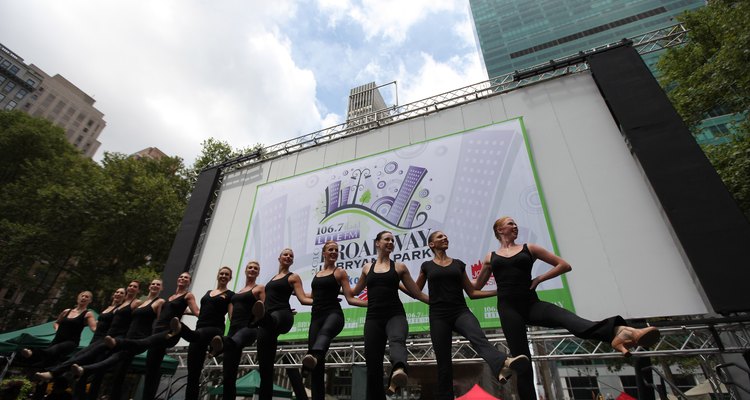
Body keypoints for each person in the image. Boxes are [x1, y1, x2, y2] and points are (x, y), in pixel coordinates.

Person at [474, 217, 661, 400]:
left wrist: (539, 279)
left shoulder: (529, 248)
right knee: (522, 362)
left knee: (573, 322)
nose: (515, 226)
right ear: (500, 230)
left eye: (515, 223)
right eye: (510, 224)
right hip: (509, 310)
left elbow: (564, 265)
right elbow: (476, 287)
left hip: (531, 304)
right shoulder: (491, 257)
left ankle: (621, 332)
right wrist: (455, 276)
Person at [415, 230, 529, 399]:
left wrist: (499, 291)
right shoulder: (427, 266)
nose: (445, 237)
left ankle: (503, 363)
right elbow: (415, 290)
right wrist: (426, 298)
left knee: (479, 338)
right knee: (443, 363)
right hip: (438, 316)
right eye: (440, 237)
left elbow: (472, 292)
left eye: (446, 236)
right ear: (431, 244)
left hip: (460, 311)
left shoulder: (458, 264)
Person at [350, 231, 428, 399]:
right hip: (373, 318)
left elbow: (417, 293)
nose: (390, 242)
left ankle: (399, 370)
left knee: (397, 341)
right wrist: (335, 289)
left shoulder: (399, 267)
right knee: (372, 364)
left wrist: (437, 302)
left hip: (395, 315)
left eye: (392, 240)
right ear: (377, 243)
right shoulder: (366, 268)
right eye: (387, 239)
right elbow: (353, 294)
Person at [108, 272, 200, 400]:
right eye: (181, 276)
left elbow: (196, 311)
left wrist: (207, 317)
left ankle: (118, 343)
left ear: (189, 282)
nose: (182, 278)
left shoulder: (188, 295)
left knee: (144, 342)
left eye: (186, 278)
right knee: (151, 370)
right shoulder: (170, 298)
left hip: (169, 332)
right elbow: (175, 310)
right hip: (157, 330)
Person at [71, 279, 165, 400]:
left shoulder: (156, 301)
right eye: (153, 284)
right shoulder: (142, 302)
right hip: (126, 337)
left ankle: (84, 370)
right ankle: (75, 371)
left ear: (161, 288)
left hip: (138, 339)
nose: (155, 286)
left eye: (158, 284)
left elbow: (160, 321)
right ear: (149, 287)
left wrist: (153, 338)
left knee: (116, 365)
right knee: (117, 370)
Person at [35, 281, 142, 383]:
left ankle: (51, 371)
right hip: (97, 338)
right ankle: (57, 374)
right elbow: (96, 326)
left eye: (121, 293)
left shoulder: (126, 306)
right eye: (117, 292)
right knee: (79, 357)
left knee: (84, 358)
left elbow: (129, 319)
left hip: (109, 338)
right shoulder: (111, 308)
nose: (118, 294)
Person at [301, 241, 367, 400]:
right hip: (316, 317)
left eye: (336, 250)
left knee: (322, 338)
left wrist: (369, 303)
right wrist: (291, 293)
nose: (334, 252)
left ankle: (313, 356)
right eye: (330, 249)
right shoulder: (317, 274)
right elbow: (311, 297)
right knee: (317, 365)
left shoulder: (340, 273)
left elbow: (350, 298)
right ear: (324, 253)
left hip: (333, 315)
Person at [170, 267, 233, 400]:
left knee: (196, 335)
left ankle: (182, 329)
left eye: (226, 274)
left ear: (230, 278)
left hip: (215, 330)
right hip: (200, 329)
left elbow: (231, 316)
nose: (223, 276)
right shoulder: (208, 292)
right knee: (193, 374)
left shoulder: (230, 295)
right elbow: (200, 312)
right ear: (217, 275)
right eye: (221, 273)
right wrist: (184, 311)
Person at [257, 248, 312, 400]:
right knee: (265, 369)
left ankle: (261, 317)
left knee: (272, 318)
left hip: (283, 315)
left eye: (291, 256)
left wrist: (322, 300)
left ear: (292, 261)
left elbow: (302, 297)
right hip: (267, 322)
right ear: (279, 258)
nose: (288, 256)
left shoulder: (293, 277)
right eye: (285, 254)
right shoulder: (272, 279)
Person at [208, 261, 265, 400]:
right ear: (245, 271)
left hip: (249, 328)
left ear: (258, 273)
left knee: (232, 341)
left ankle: (218, 347)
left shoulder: (259, 288)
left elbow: (265, 307)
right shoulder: (237, 292)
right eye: (250, 267)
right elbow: (231, 314)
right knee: (229, 374)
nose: (252, 269)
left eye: (255, 268)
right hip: (233, 331)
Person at [20, 291, 97, 367]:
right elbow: (56, 323)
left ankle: (32, 352)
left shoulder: (88, 314)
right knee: (48, 361)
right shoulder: (66, 311)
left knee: (52, 351)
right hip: (57, 339)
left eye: (87, 297)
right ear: (78, 298)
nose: (83, 298)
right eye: (82, 296)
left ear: (90, 301)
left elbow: (94, 328)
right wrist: (57, 329)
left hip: (71, 342)